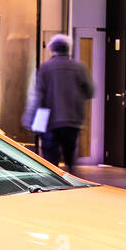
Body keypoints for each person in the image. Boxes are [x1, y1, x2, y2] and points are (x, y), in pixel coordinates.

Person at [23, 34, 92, 174]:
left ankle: (55, 185)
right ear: (68, 49)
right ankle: (73, 182)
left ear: (52, 49)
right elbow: (90, 92)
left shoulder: (44, 68)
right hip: (73, 121)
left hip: (50, 121)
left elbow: (36, 96)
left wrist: (30, 119)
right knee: (70, 156)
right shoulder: (80, 68)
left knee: (51, 160)